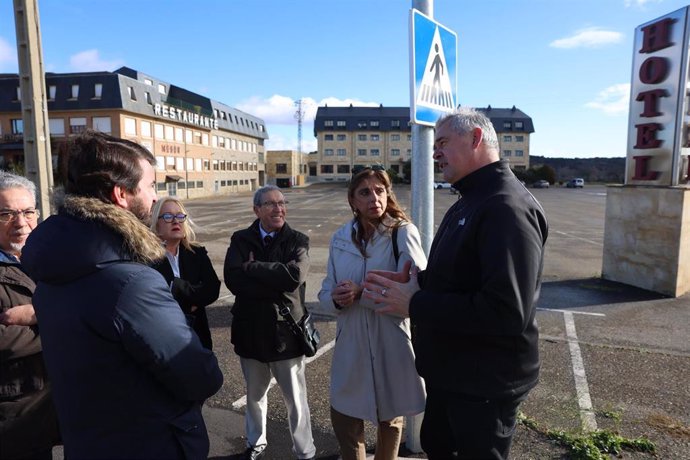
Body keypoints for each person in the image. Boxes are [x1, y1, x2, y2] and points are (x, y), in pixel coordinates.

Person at [21, 130, 224, 459]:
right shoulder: (130, 283)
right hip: (148, 444)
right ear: (121, 194)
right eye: (150, 186)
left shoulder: (54, 263)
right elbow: (201, 377)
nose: (155, 197)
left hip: (87, 442)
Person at [364, 108, 549, 459]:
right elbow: (462, 277)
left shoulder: (505, 207)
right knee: (438, 446)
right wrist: (416, 282)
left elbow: (506, 311)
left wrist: (414, 304)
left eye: (444, 143)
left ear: (476, 138)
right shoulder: (470, 199)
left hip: (483, 386)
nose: (434, 153)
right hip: (453, 377)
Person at [317, 166, 427, 460]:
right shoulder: (340, 238)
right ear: (352, 200)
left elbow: (417, 290)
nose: (374, 198)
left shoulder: (402, 233)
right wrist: (337, 300)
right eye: (365, 192)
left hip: (389, 340)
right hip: (350, 341)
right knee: (345, 420)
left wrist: (361, 294)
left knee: (389, 418)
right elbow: (325, 292)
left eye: (380, 191)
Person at [224, 185, 316, 460]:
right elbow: (233, 280)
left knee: (296, 400)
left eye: (282, 203)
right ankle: (256, 443)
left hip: (285, 334)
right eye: (271, 204)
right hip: (250, 332)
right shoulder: (241, 239)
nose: (279, 209)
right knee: (254, 397)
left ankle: (305, 450)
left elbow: (294, 277)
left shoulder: (297, 239)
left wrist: (253, 268)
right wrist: (273, 280)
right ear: (257, 210)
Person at [0, 172, 60, 459]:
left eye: (27, 212)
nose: (21, 223)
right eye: (7, 214)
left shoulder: (52, 260)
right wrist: (61, 319)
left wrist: (40, 312)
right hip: (13, 415)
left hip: (50, 407)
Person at [151, 196, 220, 350]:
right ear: (156, 224)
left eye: (180, 216)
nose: (176, 221)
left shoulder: (197, 253)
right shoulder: (146, 259)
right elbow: (155, 301)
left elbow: (212, 289)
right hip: (163, 342)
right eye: (168, 216)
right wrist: (193, 300)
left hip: (198, 339)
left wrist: (177, 287)